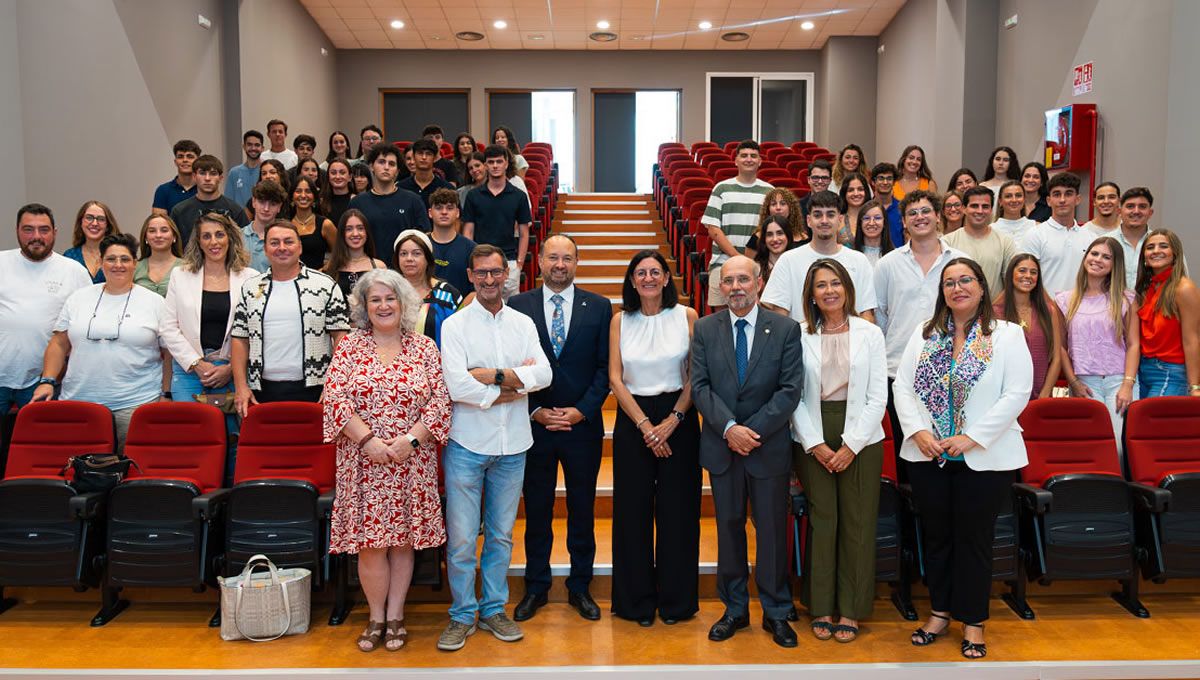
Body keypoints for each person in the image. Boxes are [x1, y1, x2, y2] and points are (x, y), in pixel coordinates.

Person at [895, 257, 1032, 661]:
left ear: (981, 287)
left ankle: (973, 620)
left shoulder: (1007, 335)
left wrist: (971, 437)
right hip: (928, 455)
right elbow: (902, 387)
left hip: (984, 457)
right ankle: (939, 613)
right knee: (936, 537)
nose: (957, 288)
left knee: (974, 540)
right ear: (942, 292)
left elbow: (1017, 392)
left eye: (965, 280)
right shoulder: (925, 335)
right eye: (949, 282)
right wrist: (918, 431)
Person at [324, 269, 451, 653]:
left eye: (390, 298)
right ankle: (375, 617)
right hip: (362, 461)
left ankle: (396, 615)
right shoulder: (349, 347)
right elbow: (335, 398)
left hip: (412, 461)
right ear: (364, 307)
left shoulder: (425, 347)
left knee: (403, 543)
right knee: (371, 545)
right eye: (375, 300)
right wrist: (368, 441)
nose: (383, 306)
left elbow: (440, 401)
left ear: (403, 303)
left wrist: (411, 440)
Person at [436, 244, 552, 651]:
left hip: (513, 445)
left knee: (501, 536)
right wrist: (506, 390)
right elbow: (455, 384)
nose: (488, 280)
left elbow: (543, 374)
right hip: (467, 443)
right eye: (481, 273)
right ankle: (462, 614)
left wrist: (493, 376)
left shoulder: (522, 323)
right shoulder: (454, 326)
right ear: (470, 275)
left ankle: (493, 610)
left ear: (507, 275)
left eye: (495, 273)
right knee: (464, 537)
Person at [692, 255, 803, 648]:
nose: (736, 287)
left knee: (772, 533)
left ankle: (776, 611)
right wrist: (729, 429)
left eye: (743, 279)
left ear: (759, 282)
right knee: (729, 530)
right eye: (728, 281)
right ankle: (735, 609)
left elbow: (790, 390)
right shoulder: (705, 328)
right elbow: (700, 386)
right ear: (719, 287)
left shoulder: (786, 329)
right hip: (722, 448)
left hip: (766, 448)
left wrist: (748, 432)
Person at [508, 235, 612, 623]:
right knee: (537, 510)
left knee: (582, 510)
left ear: (577, 262)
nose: (560, 264)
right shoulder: (518, 306)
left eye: (567, 258)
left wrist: (581, 411)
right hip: (533, 427)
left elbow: (605, 369)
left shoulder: (599, 307)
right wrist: (534, 410)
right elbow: (513, 365)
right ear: (540, 260)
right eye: (553, 257)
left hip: (581, 427)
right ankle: (536, 587)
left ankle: (580, 586)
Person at [789, 258, 888, 644]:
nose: (829, 291)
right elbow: (792, 395)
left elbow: (878, 395)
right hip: (812, 433)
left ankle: (851, 608)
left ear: (847, 287)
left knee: (858, 524)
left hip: (861, 437)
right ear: (810, 294)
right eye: (820, 285)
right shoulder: (798, 335)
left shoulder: (869, 333)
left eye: (835, 283)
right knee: (824, 520)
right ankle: (821, 605)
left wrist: (851, 445)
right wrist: (814, 443)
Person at [608, 250, 701, 627]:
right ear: (632, 281)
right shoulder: (619, 320)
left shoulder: (687, 316)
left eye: (655, 272)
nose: (648, 278)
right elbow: (615, 377)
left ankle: (677, 602)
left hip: (679, 415)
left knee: (679, 513)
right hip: (634, 419)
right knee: (632, 513)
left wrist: (673, 419)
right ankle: (636, 602)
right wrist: (647, 426)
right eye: (640, 273)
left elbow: (696, 374)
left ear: (666, 278)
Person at [33, 233, 170, 451]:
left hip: (136, 404)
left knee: (132, 474)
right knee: (81, 473)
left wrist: (166, 394)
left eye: (125, 259)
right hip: (80, 402)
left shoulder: (155, 302)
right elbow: (59, 343)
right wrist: (47, 381)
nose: (118, 265)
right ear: (100, 263)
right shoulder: (78, 298)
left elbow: (168, 352)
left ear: (135, 263)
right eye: (111, 259)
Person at [161, 212, 259, 483]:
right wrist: (197, 364)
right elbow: (168, 327)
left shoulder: (250, 277)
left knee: (233, 441)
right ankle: (197, 498)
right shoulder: (181, 276)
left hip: (233, 374)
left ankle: (229, 498)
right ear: (199, 242)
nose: (214, 241)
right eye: (206, 236)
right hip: (191, 373)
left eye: (219, 234)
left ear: (230, 237)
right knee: (193, 440)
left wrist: (230, 368)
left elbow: (257, 331)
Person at [231, 221, 349, 415]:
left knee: (311, 446)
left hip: (315, 388)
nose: (282, 248)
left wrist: (335, 383)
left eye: (288, 242)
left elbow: (340, 338)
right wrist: (241, 386)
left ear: (300, 247)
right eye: (275, 243)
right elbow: (240, 338)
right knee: (267, 446)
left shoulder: (325, 285)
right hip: (260, 391)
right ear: (266, 249)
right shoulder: (250, 288)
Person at [874, 190, 965, 439]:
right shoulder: (887, 264)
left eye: (926, 211)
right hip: (897, 369)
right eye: (912, 213)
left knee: (946, 447)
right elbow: (878, 318)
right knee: (903, 453)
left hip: (950, 370)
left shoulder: (961, 262)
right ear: (903, 221)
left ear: (938, 216)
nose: (919, 217)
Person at [0, 204, 92, 413]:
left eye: (44, 230)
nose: (36, 236)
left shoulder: (73, 271)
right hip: (1, 376)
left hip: (45, 380)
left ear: (55, 232)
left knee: (40, 443)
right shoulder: (1, 263)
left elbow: (86, 326)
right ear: (17, 231)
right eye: (28, 229)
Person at [1056, 237, 1139, 457]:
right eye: (1094, 254)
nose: (1098, 260)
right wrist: (1073, 382)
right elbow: (1061, 347)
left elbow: (1133, 344)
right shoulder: (1065, 300)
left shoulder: (1125, 299)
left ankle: (1121, 491)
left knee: (1118, 449)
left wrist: (1128, 385)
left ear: (1115, 265)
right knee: (1090, 448)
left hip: (1118, 382)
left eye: (1106, 257)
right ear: (1086, 257)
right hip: (1085, 384)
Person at [762, 190, 877, 322]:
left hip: (850, 340)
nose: (824, 220)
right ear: (809, 221)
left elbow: (867, 314)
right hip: (801, 341)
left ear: (840, 220)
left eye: (830, 215)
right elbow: (779, 318)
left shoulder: (859, 260)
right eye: (817, 215)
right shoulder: (788, 260)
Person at [701, 140, 773, 310]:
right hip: (723, 263)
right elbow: (713, 228)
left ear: (760, 161)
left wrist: (749, 261)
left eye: (753, 156)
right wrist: (737, 258)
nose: (749, 159)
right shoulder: (721, 188)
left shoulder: (769, 191)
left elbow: (770, 229)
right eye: (744, 155)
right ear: (736, 160)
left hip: (757, 265)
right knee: (721, 320)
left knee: (756, 317)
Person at [461, 145, 532, 302]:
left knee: (511, 308)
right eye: (491, 162)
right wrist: (471, 261)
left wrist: (519, 263)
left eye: (499, 161)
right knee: (481, 307)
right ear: (486, 165)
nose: (495, 165)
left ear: (506, 164)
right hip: (480, 261)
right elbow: (468, 232)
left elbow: (524, 233)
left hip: (509, 262)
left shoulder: (519, 196)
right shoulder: (473, 196)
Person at [1135, 229, 1200, 397]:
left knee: (1153, 422)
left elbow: (1192, 340)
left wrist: (1194, 387)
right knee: (1137, 423)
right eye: (1150, 247)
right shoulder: (1145, 289)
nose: (1156, 251)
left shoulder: (1184, 288)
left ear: (1175, 254)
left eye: (1163, 246)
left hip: (1171, 372)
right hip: (1142, 371)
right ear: (1144, 258)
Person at [993, 254, 1062, 399]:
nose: (1028, 276)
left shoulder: (1048, 311)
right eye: (1022, 270)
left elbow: (1056, 358)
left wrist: (1044, 394)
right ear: (1011, 274)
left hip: (1040, 397)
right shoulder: (996, 313)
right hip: (1005, 397)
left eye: (1033, 272)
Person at [349, 145, 430, 263]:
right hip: (367, 268)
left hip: (404, 270)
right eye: (381, 162)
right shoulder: (357, 203)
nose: (386, 167)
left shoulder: (413, 200)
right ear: (371, 166)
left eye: (391, 164)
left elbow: (424, 237)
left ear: (397, 171)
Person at [1019, 172, 1092, 295]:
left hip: (1081, 310)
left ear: (1078, 199)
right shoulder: (1034, 235)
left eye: (1068, 194)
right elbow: (1024, 280)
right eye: (1057, 194)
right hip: (1044, 311)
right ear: (1048, 200)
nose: (1062, 200)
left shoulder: (1091, 237)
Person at [392, 229, 462, 346]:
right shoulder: (389, 292)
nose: (409, 259)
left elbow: (459, 336)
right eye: (403, 254)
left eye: (416, 253)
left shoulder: (448, 294)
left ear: (428, 259)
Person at [944, 186, 1017, 294]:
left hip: (994, 309)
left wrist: (995, 308)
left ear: (991, 210)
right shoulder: (947, 242)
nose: (980, 211)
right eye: (974, 206)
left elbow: (1012, 283)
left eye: (985, 206)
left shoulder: (1005, 242)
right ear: (964, 209)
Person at [170, 155, 251, 245]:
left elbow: (245, 245)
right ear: (194, 176)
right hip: (188, 259)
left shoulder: (235, 211)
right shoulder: (180, 211)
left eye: (213, 173)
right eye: (202, 173)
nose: (207, 178)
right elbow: (173, 246)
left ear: (220, 178)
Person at [324, 209, 387, 298]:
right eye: (349, 229)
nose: (355, 233)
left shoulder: (379, 267)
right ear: (342, 234)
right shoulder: (331, 266)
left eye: (360, 228)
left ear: (366, 232)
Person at [1108, 187, 1160, 289]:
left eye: (1142, 206)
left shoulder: (1164, 245)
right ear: (1119, 211)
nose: (1136, 211)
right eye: (1130, 206)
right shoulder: (1105, 243)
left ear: (1150, 212)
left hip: (1151, 304)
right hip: (1111, 304)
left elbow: (1177, 280)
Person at [428, 188, 476, 296]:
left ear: (457, 212)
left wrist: (459, 312)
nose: (444, 212)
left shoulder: (471, 249)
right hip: (424, 310)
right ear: (430, 213)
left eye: (449, 208)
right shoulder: (421, 246)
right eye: (439, 208)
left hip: (462, 310)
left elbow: (475, 290)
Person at [64, 201, 121, 283]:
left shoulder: (118, 256)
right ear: (81, 222)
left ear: (108, 226)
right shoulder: (69, 256)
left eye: (101, 219)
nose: (94, 223)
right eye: (89, 218)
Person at [745, 187, 807, 260]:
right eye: (773, 204)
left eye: (783, 203)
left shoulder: (803, 238)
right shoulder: (758, 237)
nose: (778, 208)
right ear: (768, 209)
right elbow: (749, 266)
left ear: (791, 208)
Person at [289, 176, 337, 270]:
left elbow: (340, 252)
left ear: (314, 197)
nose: (303, 195)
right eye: (298, 191)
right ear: (292, 196)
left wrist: (324, 270)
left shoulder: (325, 224)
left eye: (308, 191)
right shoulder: (285, 225)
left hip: (318, 280)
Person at [242, 180, 287, 273]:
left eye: (273, 204)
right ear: (254, 202)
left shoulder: (285, 240)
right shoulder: (238, 237)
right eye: (262, 202)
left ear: (279, 207)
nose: (266, 208)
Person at [133, 214, 183, 296]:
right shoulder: (134, 267)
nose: (158, 235)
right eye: (152, 231)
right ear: (145, 238)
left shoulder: (187, 267)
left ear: (174, 236)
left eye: (164, 230)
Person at [152, 139, 201, 217]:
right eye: (180, 156)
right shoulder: (163, 191)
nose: (185, 160)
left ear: (198, 161)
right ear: (175, 161)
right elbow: (159, 224)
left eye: (190, 157)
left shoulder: (204, 189)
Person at [399, 138, 453, 208]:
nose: (424, 157)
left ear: (434, 158)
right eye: (420, 153)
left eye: (428, 154)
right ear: (414, 157)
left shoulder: (447, 189)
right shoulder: (401, 188)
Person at [869, 162, 904, 247]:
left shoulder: (902, 208)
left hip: (897, 257)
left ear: (894, 182)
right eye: (881, 178)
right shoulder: (866, 208)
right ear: (873, 182)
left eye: (889, 178)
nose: (885, 182)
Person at [226, 130, 264, 208]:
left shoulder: (266, 172)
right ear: (244, 147)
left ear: (262, 148)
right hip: (239, 219)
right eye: (249, 145)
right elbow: (228, 201)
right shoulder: (234, 172)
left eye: (257, 145)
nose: (253, 148)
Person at [851, 199, 894, 267]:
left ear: (884, 223)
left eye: (877, 218)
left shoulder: (894, 256)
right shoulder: (850, 256)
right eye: (866, 218)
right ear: (860, 223)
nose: (871, 223)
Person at [752, 216, 795, 281]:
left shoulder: (797, 265)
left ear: (788, 236)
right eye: (769, 234)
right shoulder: (756, 268)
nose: (775, 239)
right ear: (764, 239)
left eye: (780, 233)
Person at [837, 172, 872, 245]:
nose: (856, 193)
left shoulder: (875, 218)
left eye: (860, 189)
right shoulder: (837, 220)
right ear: (844, 193)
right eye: (851, 190)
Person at [320, 158, 356, 227]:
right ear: (328, 176)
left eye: (342, 173)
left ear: (350, 177)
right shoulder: (321, 202)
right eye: (333, 173)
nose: (337, 176)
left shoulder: (357, 200)